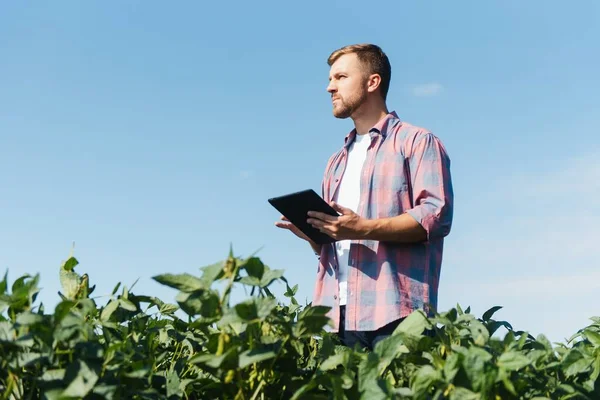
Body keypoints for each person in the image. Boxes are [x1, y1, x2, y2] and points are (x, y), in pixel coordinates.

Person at [275, 44, 454, 350]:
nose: (330, 86)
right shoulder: (336, 162)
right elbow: (338, 244)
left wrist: (361, 228)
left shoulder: (417, 142)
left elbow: (435, 216)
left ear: (372, 82)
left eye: (341, 77)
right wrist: (315, 236)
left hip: (396, 316)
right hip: (336, 318)